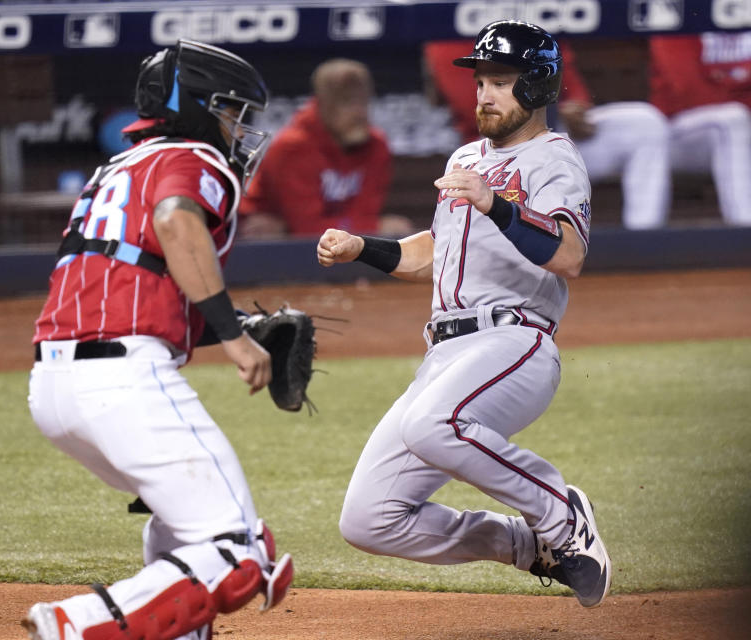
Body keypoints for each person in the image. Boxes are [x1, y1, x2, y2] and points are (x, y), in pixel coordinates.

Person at [318, 20, 612, 608]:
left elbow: (569, 254)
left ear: (537, 87)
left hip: (514, 341)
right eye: (481, 81)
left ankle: (560, 511)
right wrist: (363, 247)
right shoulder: (466, 156)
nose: (484, 94)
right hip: (445, 354)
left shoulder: (553, 158)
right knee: (369, 519)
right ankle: (528, 545)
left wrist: (497, 204)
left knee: (432, 424)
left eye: (501, 82)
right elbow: (432, 252)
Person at [22, 40, 293, 640]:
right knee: (240, 551)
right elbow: (176, 222)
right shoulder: (195, 155)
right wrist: (234, 337)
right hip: (124, 381)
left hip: (56, 385)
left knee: (192, 528)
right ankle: (77, 624)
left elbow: (140, 285)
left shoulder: (114, 171)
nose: (238, 129)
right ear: (193, 106)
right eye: (230, 111)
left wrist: (239, 328)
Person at [424, 39, 671, 230]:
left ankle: (643, 235)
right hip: (494, 158)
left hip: (555, 137)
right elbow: (483, 113)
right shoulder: (449, 36)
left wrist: (576, 108)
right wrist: (549, 110)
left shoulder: (534, 22)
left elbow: (571, 87)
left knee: (644, 124)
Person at [239, 58, 414, 238]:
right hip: (264, 246)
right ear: (322, 105)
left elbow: (364, 215)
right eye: (347, 102)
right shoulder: (292, 148)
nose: (359, 112)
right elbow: (306, 230)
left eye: (363, 101)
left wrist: (366, 226)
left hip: (331, 243)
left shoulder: (376, 146)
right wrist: (374, 227)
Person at [650, 31, 751, 226]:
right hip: (681, 133)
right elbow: (692, 94)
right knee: (732, 120)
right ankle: (745, 228)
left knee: (735, 119)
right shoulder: (686, 11)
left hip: (739, 124)